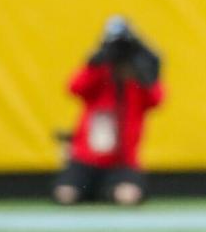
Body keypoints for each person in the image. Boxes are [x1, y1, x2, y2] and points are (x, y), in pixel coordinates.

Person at [55, 17, 163, 206]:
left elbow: (157, 100)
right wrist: (96, 63)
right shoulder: (100, 73)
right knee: (66, 194)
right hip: (86, 159)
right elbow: (74, 88)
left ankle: (106, 192)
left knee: (128, 196)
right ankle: (91, 191)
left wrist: (143, 66)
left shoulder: (136, 77)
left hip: (123, 161)